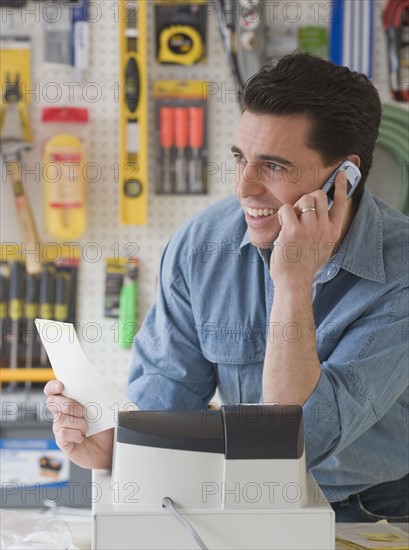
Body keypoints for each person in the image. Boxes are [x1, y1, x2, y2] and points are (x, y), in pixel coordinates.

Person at [45, 53, 409, 522]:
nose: (243, 188)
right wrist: (116, 449)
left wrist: (293, 283)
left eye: (274, 167)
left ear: (344, 178)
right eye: (240, 158)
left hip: (376, 510)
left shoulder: (400, 274)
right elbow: (167, 403)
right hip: (240, 498)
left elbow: (296, 441)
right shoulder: (202, 247)